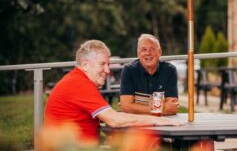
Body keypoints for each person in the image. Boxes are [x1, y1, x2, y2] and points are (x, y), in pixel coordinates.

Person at [44, 40, 182, 145]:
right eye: (102, 64)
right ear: (85, 65)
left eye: (108, 65)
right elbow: (115, 120)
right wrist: (157, 120)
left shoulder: (77, 80)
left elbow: (111, 117)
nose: (108, 70)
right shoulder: (79, 84)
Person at [119, 34, 179, 115]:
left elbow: (172, 108)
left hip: (162, 123)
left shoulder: (170, 70)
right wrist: (162, 108)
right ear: (138, 53)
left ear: (160, 52)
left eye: (152, 49)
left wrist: (135, 108)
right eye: (144, 49)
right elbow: (126, 107)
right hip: (136, 123)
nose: (148, 53)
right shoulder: (128, 70)